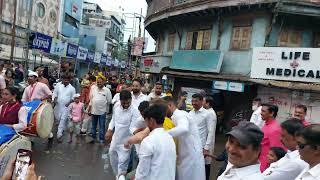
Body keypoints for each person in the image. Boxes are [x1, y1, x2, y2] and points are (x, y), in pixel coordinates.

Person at [163, 96, 205, 180]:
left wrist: (162, 134)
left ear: (169, 105)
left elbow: (183, 128)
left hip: (191, 155)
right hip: (185, 154)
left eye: (163, 108)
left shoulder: (180, 114)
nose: (162, 112)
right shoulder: (174, 116)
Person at [134, 104, 176, 180]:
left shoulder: (148, 141)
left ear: (151, 121)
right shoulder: (169, 138)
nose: (146, 124)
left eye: (146, 121)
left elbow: (142, 173)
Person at [105, 90, 141, 178]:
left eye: (128, 103)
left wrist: (138, 134)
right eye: (123, 103)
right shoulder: (116, 105)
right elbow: (113, 119)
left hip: (126, 144)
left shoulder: (135, 110)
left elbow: (132, 127)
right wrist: (109, 130)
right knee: (113, 161)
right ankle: (118, 177)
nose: (126, 105)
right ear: (120, 100)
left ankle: (120, 176)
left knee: (122, 166)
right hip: (115, 141)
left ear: (131, 100)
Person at [189, 93, 215, 180]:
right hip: (191, 145)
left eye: (195, 101)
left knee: (201, 168)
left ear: (201, 101)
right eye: (192, 101)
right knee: (192, 168)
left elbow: (211, 132)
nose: (193, 103)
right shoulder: (190, 113)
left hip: (201, 146)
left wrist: (206, 147)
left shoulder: (207, 114)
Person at [259, 104, 285, 172]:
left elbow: (276, 152)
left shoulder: (274, 129)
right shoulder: (266, 124)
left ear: (271, 113)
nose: (261, 113)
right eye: (261, 110)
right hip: (261, 162)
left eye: (263, 111)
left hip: (266, 166)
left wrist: (269, 169)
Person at [88, 76, 112, 143]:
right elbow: (91, 99)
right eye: (98, 82)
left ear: (104, 82)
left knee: (102, 126)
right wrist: (89, 109)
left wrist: (107, 110)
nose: (99, 83)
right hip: (94, 111)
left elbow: (109, 101)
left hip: (102, 111)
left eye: (100, 82)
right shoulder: (93, 89)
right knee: (93, 126)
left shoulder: (107, 90)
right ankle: (93, 138)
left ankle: (101, 139)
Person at [53, 73, 76, 142]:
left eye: (67, 80)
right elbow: (55, 93)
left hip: (66, 107)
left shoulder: (72, 88)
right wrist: (55, 99)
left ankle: (59, 135)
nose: (66, 81)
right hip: (58, 106)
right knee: (58, 118)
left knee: (62, 120)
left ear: (69, 80)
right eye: (64, 79)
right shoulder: (58, 85)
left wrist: (69, 103)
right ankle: (62, 129)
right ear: (62, 79)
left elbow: (73, 98)